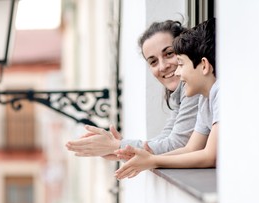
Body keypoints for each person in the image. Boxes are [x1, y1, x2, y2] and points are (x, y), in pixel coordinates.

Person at [65, 20, 199, 160]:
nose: (162, 66)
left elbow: (176, 145)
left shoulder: (194, 88)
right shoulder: (181, 93)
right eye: (153, 61)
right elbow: (164, 140)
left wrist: (117, 146)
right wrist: (120, 150)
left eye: (169, 53)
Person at [114, 17, 218, 179]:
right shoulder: (206, 99)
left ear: (203, 65)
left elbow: (209, 156)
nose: (171, 70)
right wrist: (147, 159)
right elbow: (190, 148)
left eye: (179, 62)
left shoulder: (217, 92)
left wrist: (151, 159)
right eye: (153, 62)